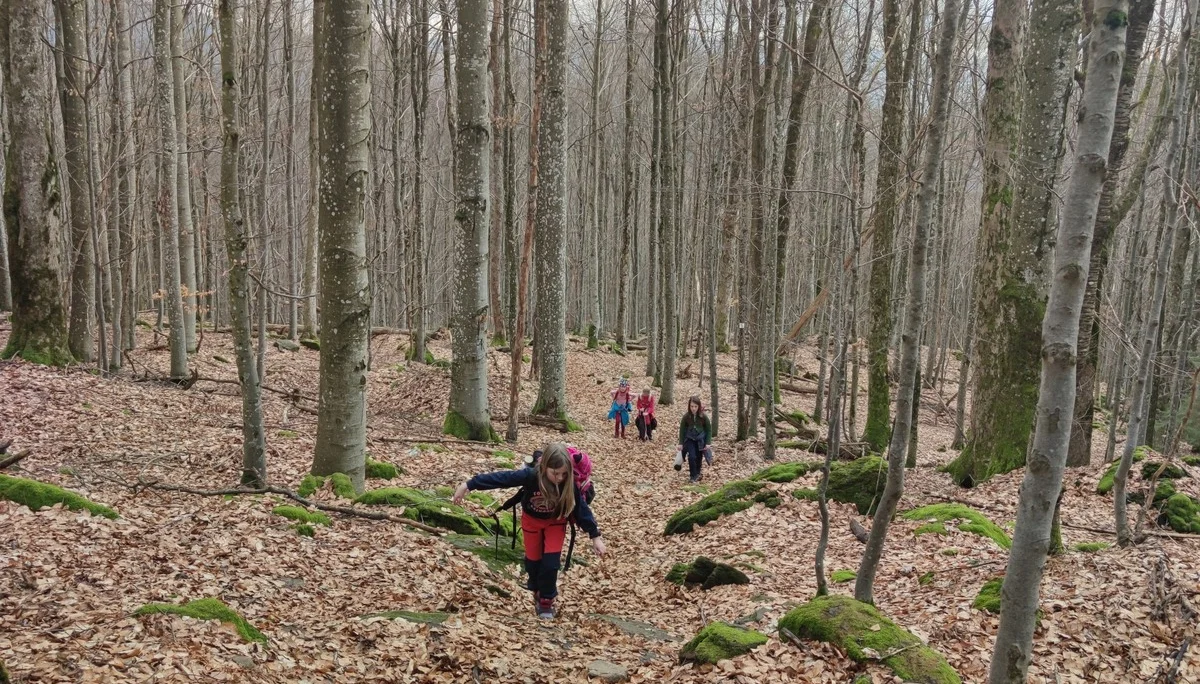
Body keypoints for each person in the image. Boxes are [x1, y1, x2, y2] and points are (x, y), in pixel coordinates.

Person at [452, 442, 606, 619]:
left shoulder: (568, 483)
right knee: (533, 562)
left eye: (564, 474)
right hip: (531, 522)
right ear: (544, 467)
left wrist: (595, 536)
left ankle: (546, 601)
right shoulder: (531, 476)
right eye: (555, 473)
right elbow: (502, 478)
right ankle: (536, 589)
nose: (560, 478)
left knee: (551, 563)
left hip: (556, 523)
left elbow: (581, 510)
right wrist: (469, 485)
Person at [675, 395, 713, 483]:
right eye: (692, 406)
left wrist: (708, 442)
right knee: (691, 457)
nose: (693, 408)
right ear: (689, 406)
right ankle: (693, 476)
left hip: (700, 440)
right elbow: (682, 430)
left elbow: (708, 429)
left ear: (699, 406)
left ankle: (698, 473)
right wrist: (681, 443)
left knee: (699, 457)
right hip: (690, 439)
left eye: (695, 406)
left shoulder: (703, 417)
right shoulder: (686, 417)